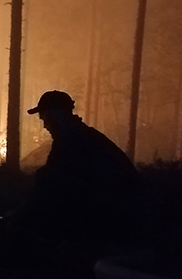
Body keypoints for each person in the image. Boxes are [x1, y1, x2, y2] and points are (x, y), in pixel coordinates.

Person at [9, 90, 141, 244]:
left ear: (55, 113)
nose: (44, 125)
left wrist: (15, 218)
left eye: (44, 117)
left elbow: (48, 184)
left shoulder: (71, 140)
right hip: (123, 212)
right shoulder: (83, 135)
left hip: (114, 217)